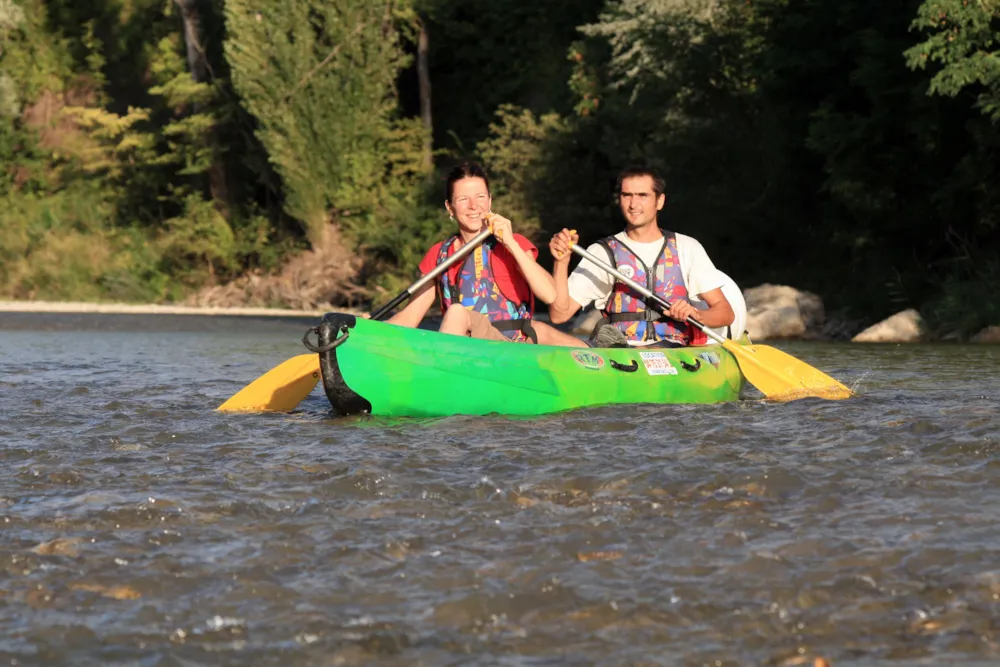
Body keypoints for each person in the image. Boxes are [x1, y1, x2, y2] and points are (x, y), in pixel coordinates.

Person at [388, 162, 588, 347]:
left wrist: (509, 242)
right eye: (463, 199)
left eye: (480, 196)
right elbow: (409, 318)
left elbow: (550, 295)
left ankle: (442, 374)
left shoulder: (513, 243)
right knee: (457, 314)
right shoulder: (439, 255)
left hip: (510, 346)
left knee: (457, 312)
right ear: (450, 207)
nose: (474, 206)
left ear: (490, 200)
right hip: (469, 345)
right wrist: (363, 330)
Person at [548, 165, 742, 347]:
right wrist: (561, 262)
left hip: (673, 351)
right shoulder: (602, 252)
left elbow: (725, 313)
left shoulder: (686, 247)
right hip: (619, 351)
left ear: (660, 201)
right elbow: (559, 315)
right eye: (627, 195)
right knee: (540, 330)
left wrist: (695, 314)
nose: (633, 204)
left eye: (642, 195)